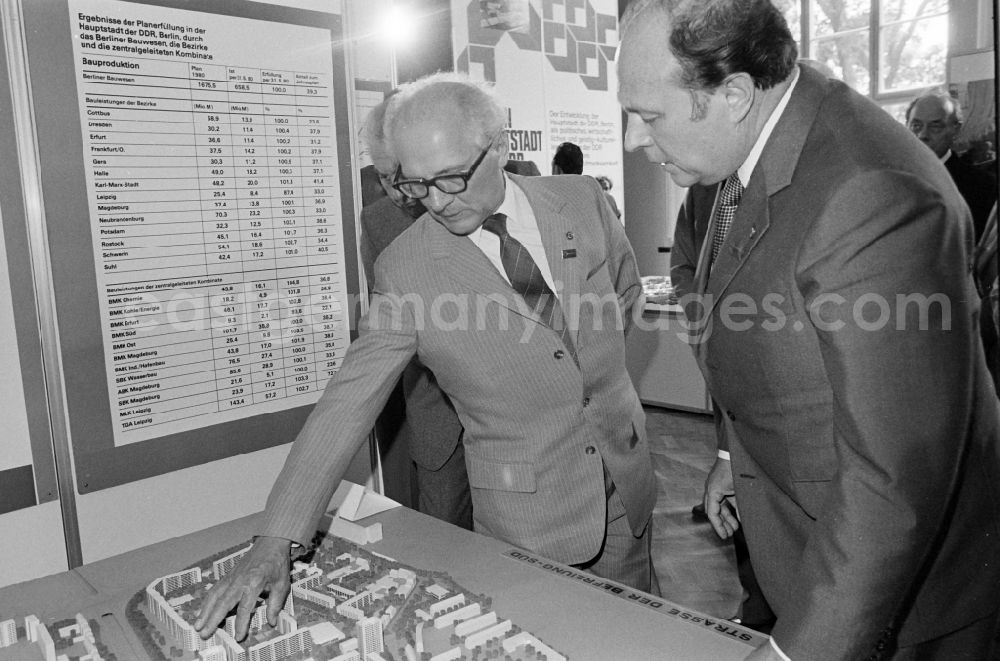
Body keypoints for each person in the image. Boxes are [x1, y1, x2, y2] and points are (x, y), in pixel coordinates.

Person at [195, 72, 659, 640]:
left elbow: (627, 296)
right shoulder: (407, 268)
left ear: (501, 144)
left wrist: (590, 384)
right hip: (527, 522)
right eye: (416, 185)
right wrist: (275, 539)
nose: (436, 202)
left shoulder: (582, 201)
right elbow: (348, 401)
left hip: (627, 489)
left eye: (451, 178)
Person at [617, 1, 1000, 660]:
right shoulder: (733, 163)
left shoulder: (872, 192)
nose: (633, 140)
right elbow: (757, 328)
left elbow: (892, 479)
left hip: (904, 604)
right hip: (799, 549)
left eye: (649, 115)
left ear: (734, 92)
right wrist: (736, 456)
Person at [359, 95, 472, 530]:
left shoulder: (470, 198)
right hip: (438, 423)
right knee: (446, 545)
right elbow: (391, 327)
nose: (397, 191)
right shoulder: (377, 222)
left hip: (513, 425)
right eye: (384, 178)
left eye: (402, 175)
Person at [906, 89, 997, 241]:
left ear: (956, 129)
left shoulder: (982, 185)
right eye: (916, 125)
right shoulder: (893, 179)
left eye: (935, 126)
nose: (923, 135)